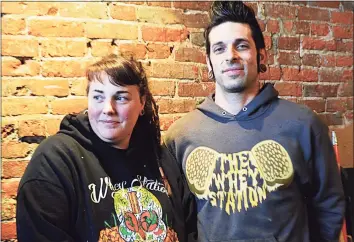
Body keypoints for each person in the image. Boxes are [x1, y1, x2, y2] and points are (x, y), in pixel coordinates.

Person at [164, 1, 345, 242]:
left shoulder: (304, 125)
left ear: (261, 55)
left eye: (241, 45)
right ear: (208, 62)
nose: (231, 56)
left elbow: (329, 206)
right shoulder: (180, 137)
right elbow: (181, 221)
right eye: (219, 49)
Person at [16, 54, 196, 242]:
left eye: (121, 97)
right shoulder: (55, 161)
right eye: (98, 97)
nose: (108, 108)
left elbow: (189, 228)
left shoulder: (160, 157)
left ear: (142, 102)